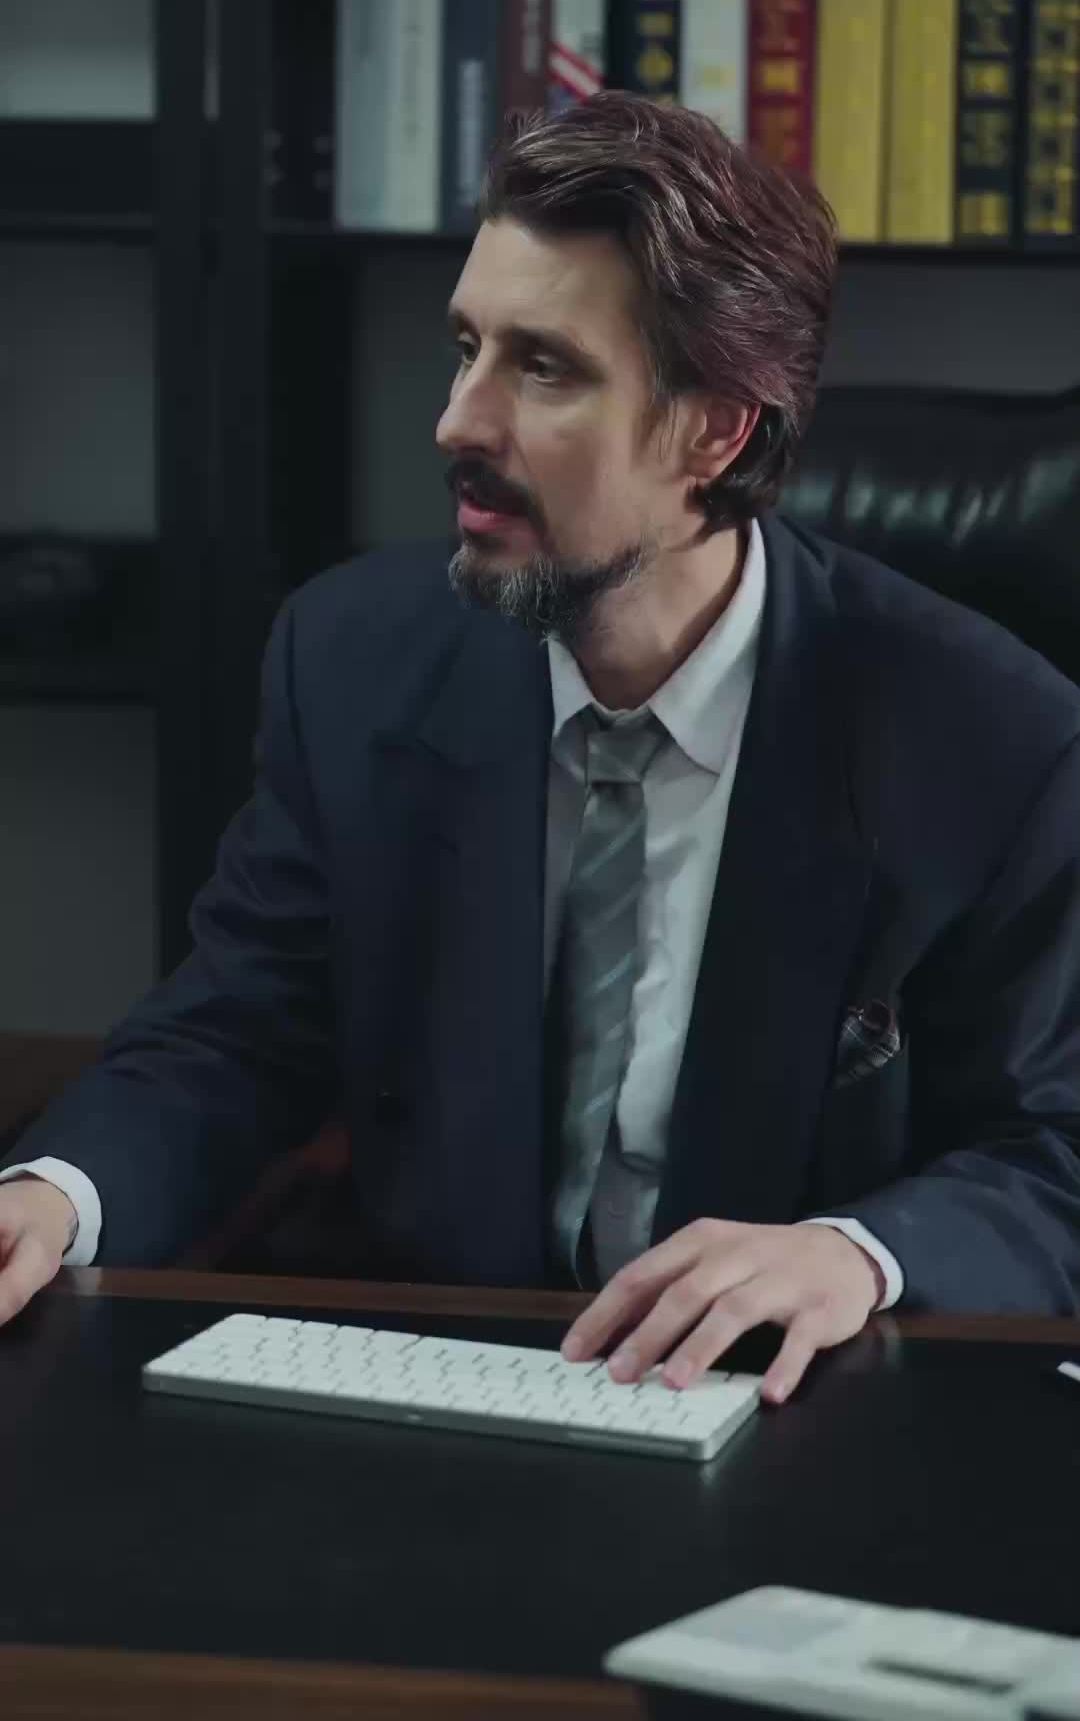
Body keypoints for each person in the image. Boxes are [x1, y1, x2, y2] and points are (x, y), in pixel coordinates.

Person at [3, 93, 1080, 1404]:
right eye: (467, 348)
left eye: (545, 368)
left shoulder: (988, 738)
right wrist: (54, 1196)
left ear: (716, 430)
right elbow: (236, 1034)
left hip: (784, 1414)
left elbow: (1053, 1154)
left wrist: (858, 1254)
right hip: (450, 1394)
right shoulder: (353, 662)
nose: (459, 421)